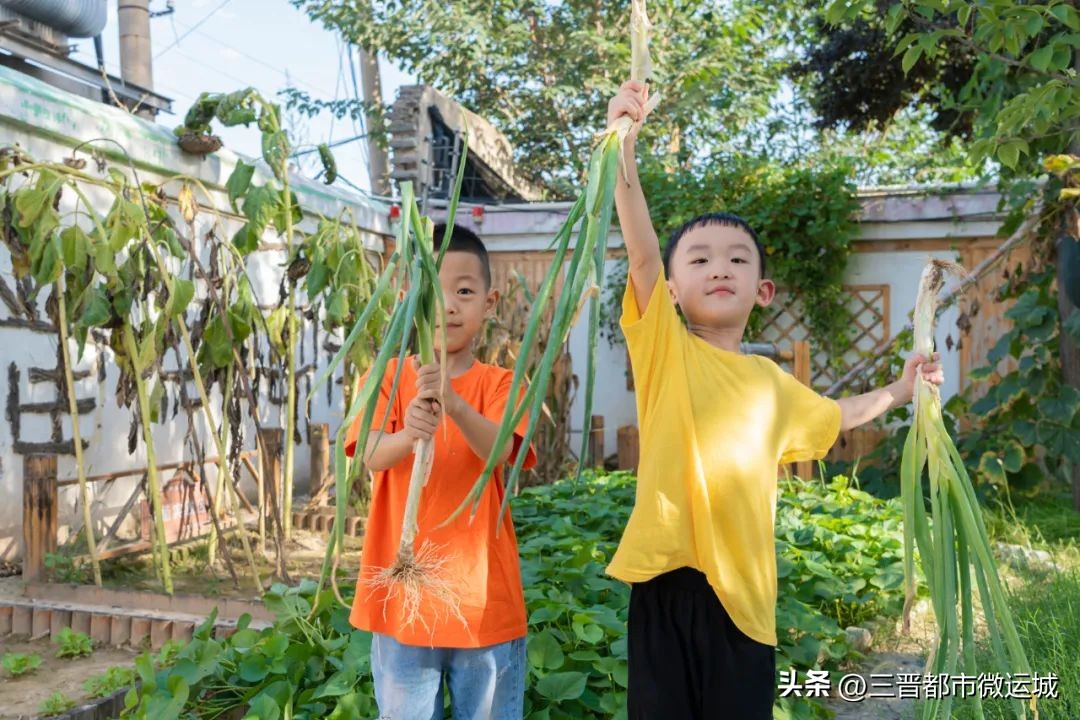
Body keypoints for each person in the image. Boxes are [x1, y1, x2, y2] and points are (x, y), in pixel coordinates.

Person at [605, 80, 945, 720]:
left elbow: (837, 416)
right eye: (699, 259)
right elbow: (642, 251)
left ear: (761, 291)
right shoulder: (663, 351)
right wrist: (625, 145)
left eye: (736, 259)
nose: (718, 268)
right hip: (664, 579)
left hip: (745, 597)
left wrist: (901, 389)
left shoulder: (771, 386)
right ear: (672, 291)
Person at [343, 223, 535, 720]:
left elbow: (502, 452)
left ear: (489, 304)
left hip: (482, 603)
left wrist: (453, 403)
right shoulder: (385, 377)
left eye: (465, 292)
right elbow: (368, 454)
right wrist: (408, 434)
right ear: (409, 299)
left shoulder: (504, 384)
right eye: (433, 291)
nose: (448, 305)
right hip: (406, 598)